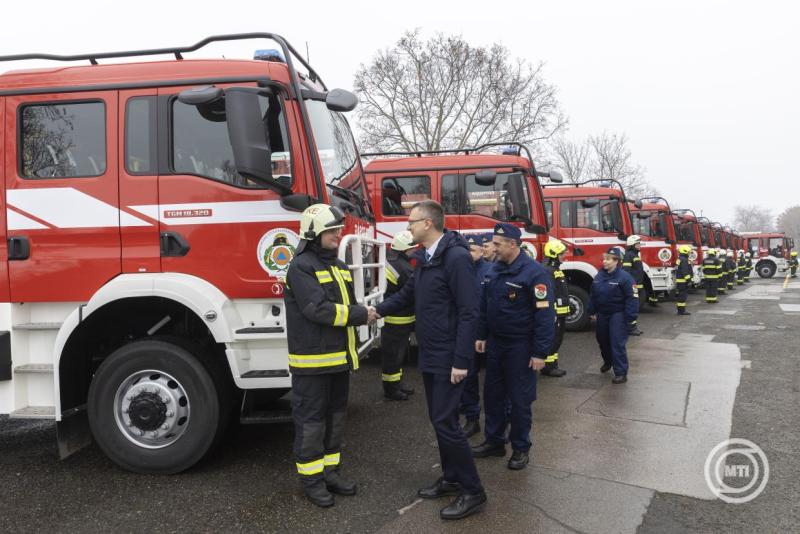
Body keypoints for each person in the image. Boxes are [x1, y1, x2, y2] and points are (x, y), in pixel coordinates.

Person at [375, 200, 486, 521]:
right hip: (431, 352)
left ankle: (473, 490)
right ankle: (451, 478)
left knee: (446, 423)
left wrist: (462, 360)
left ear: (428, 224)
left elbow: (469, 312)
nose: (407, 226)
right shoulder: (426, 257)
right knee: (440, 421)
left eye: (412, 222)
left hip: (450, 357)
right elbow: (407, 295)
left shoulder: (456, 258)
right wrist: (373, 311)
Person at [284, 204, 371, 508]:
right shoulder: (301, 267)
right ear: (313, 233)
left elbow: (346, 305)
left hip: (337, 361)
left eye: (337, 229)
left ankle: (330, 473)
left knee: (335, 420)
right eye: (332, 230)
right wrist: (362, 314)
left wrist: (359, 313)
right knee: (311, 424)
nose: (338, 234)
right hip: (312, 365)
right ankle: (311, 481)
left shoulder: (339, 266)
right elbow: (317, 310)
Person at [471, 224, 555, 470]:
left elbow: (544, 316)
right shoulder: (494, 270)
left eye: (497, 244)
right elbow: (485, 306)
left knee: (519, 400)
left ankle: (520, 447)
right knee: (493, 396)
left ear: (512, 244)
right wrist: (482, 334)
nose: (492, 248)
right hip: (497, 344)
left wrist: (540, 352)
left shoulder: (535, 273)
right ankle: (495, 442)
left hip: (521, 346)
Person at [588, 247, 638, 384]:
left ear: (616, 261)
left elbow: (632, 298)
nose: (605, 261)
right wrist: (591, 310)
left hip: (618, 314)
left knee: (616, 342)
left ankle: (621, 372)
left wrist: (631, 318)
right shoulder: (599, 276)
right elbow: (593, 295)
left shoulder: (625, 278)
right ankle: (608, 361)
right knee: (602, 340)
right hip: (602, 314)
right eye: (604, 259)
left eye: (608, 259)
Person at [459, 234, 493, 437]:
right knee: (468, 378)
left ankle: (497, 422)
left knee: (493, 382)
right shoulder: (459, 272)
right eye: (466, 249)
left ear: (482, 251)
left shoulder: (491, 271)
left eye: (473, 249)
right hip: (467, 335)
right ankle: (472, 419)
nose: (469, 253)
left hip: (489, 335)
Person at [381, 230, 417, 401]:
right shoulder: (403, 267)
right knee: (394, 355)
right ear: (404, 249)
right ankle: (391, 389)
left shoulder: (392, 261)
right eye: (412, 249)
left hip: (397, 316)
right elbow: (411, 292)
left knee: (398, 354)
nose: (414, 252)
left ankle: (397, 383)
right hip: (397, 318)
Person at [541, 239, 569, 377]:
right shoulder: (548, 271)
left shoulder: (553, 269)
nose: (565, 255)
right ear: (554, 254)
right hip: (555, 314)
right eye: (562, 253)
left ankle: (553, 364)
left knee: (557, 339)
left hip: (560, 313)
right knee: (553, 339)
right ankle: (548, 367)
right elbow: (549, 293)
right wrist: (552, 313)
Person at [622, 235, 645, 334]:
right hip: (632, 286)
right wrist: (630, 285)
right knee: (631, 308)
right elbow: (626, 272)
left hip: (637, 286)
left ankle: (633, 327)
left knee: (634, 307)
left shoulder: (635, 255)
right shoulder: (629, 255)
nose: (639, 245)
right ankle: (630, 328)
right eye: (637, 243)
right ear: (632, 245)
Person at [674, 244, 693, 315]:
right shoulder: (684, 260)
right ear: (685, 252)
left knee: (681, 296)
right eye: (688, 252)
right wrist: (689, 280)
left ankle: (680, 310)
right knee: (682, 296)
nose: (689, 253)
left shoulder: (680, 259)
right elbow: (684, 271)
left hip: (680, 281)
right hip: (683, 281)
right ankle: (681, 311)